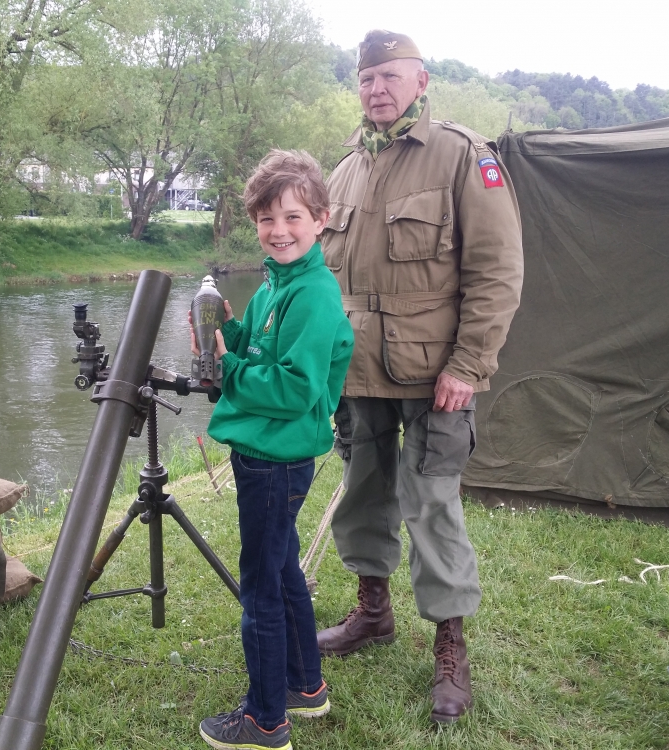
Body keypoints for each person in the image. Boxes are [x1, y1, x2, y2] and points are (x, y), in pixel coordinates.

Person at [317, 30, 524, 724]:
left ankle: (449, 644)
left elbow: (498, 272)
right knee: (362, 493)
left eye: (390, 76)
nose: (376, 89)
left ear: (421, 80)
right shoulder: (344, 169)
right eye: (366, 78)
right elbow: (323, 279)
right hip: (358, 371)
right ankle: (372, 612)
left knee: (432, 503)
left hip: (437, 373)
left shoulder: (463, 155)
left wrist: (469, 364)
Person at [195, 149, 354, 750]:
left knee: (260, 588)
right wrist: (229, 334)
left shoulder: (312, 293)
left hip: (276, 459)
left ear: (321, 219)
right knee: (283, 567)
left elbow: (294, 388)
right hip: (265, 453)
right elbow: (263, 350)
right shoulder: (275, 284)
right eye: (267, 219)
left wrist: (229, 368)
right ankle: (305, 686)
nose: (279, 230)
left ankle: (265, 721)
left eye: (293, 217)